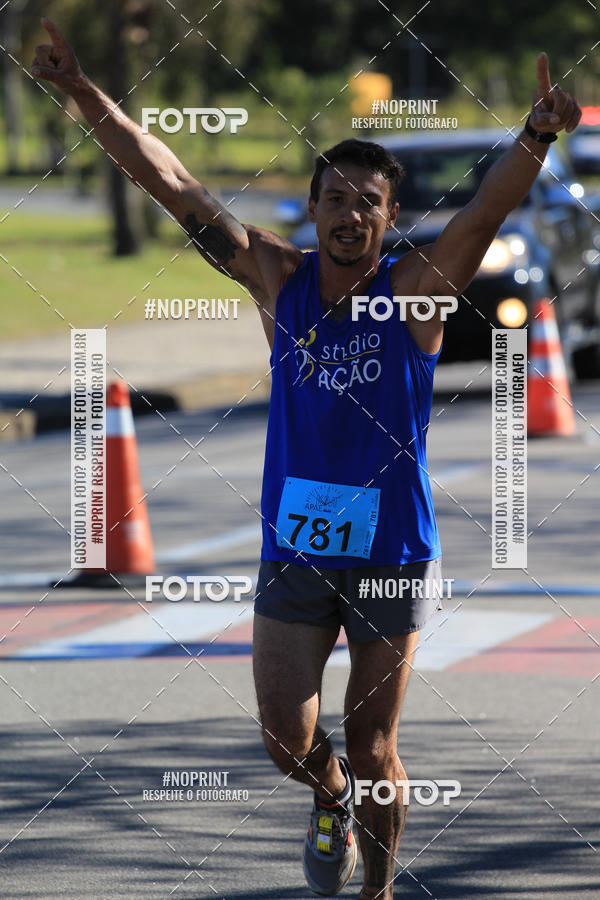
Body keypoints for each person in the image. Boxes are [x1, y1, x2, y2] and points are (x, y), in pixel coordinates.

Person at [32, 20, 581, 898]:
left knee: (375, 747)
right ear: (314, 209)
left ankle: (378, 890)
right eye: (336, 198)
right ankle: (327, 801)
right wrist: (80, 92)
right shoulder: (277, 280)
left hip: (393, 553)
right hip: (296, 551)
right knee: (289, 741)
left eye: (369, 201)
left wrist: (539, 135)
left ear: (388, 218)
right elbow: (173, 184)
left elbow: (485, 212)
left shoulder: (415, 293)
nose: (351, 214)